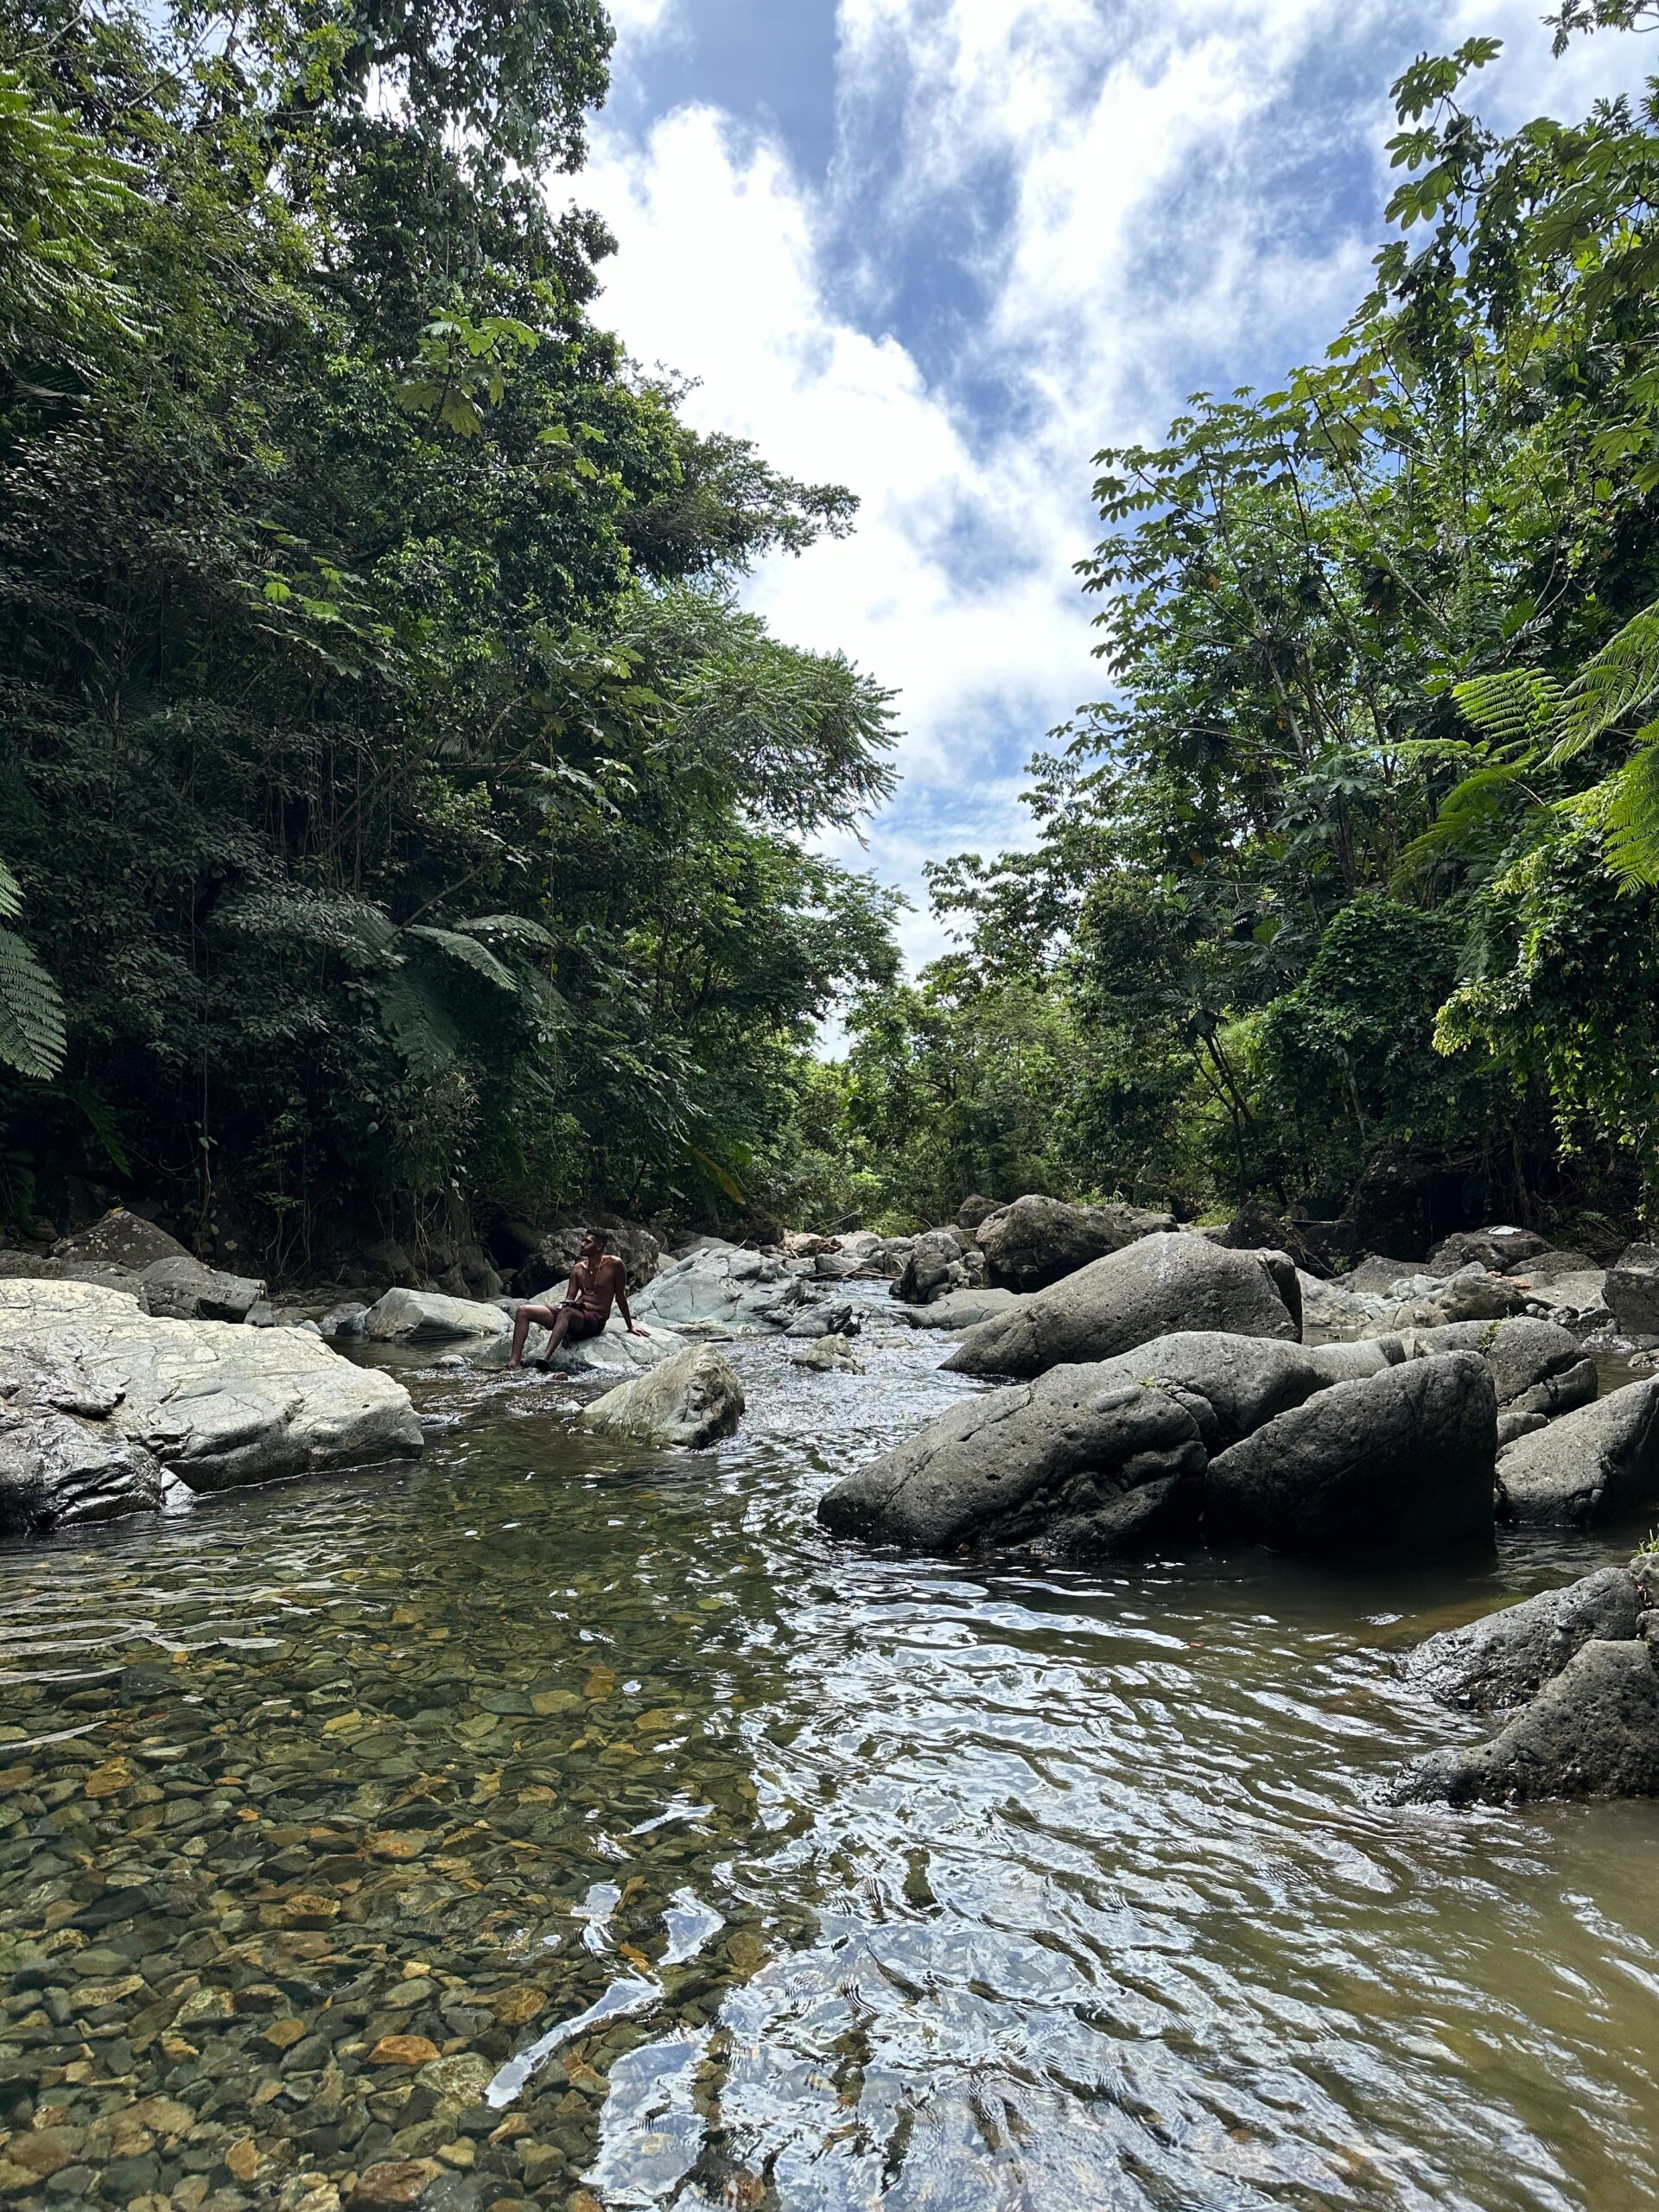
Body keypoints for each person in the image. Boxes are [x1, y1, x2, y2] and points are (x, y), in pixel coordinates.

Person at [508, 1230, 646, 1369]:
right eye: (583, 1240)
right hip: (572, 1315)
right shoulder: (578, 1269)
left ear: (599, 1246)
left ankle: (545, 1358)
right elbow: (569, 1298)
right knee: (523, 1311)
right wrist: (570, 1306)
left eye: (588, 1242)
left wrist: (630, 1326)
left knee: (567, 1312)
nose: (582, 1244)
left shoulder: (615, 1265)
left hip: (595, 1319)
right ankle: (514, 1363)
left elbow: (621, 1297)